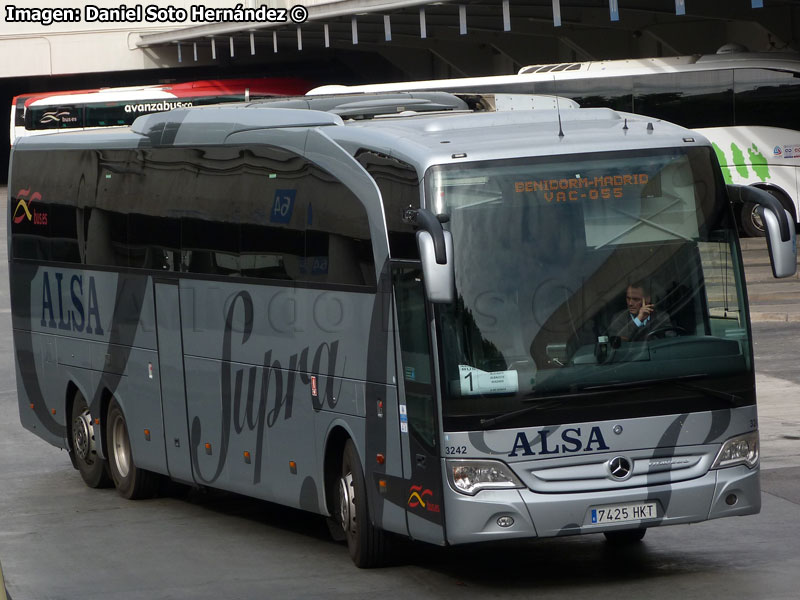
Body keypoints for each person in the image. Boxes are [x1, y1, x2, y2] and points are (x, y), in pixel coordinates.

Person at [607, 282, 672, 342]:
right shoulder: (618, 318)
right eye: (628, 298)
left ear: (647, 299)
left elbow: (671, 341)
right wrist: (638, 319)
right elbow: (617, 342)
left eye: (635, 299)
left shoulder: (661, 317)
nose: (630, 303)